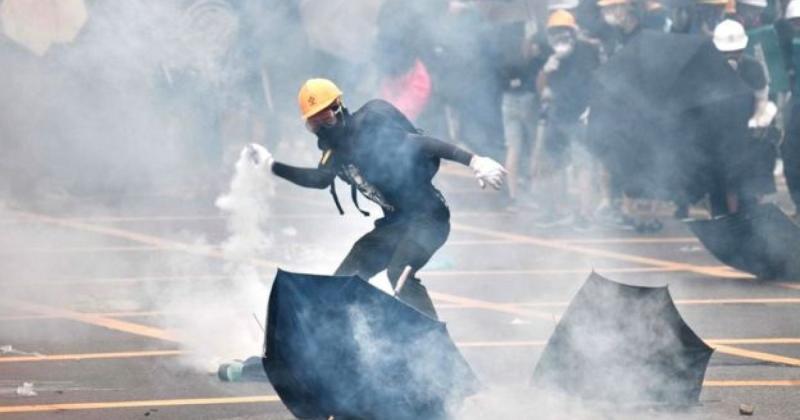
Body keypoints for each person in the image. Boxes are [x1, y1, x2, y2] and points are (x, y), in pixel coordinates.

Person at [247, 79, 506, 319]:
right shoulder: (334, 152)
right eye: (314, 123)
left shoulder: (370, 127)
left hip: (429, 218)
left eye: (326, 117)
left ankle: (437, 349)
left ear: (339, 108)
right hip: (395, 223)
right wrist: (271, 166)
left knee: (399, 273)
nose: (323, 127)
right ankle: (341, 348)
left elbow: (421, 144)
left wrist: (473, 160)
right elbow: (319, 180)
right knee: (344, 282)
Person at [535, 10, 600, 229]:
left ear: (573, 32)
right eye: (555, 33)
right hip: (558, 117)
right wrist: (546, 69)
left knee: (583, 167)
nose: (559, 37)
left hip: (581, 118)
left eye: (563, 32)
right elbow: (542, 89)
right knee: (554, 166)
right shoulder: (553, 55)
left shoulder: (587, 51)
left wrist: (592, 110)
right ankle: (556, 210)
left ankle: (585, 214)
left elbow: (597, 82)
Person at [713, 19, 778, 212]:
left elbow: (761, 97)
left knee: (753, 178)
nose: (732, 56)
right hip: (720, 131)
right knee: (724, 182)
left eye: (736, 51)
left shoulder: (753, 67)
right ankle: (727, 217)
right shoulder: (709, 67)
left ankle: (753, 217)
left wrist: (757, 120)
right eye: (726, 53)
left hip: (748, 130)